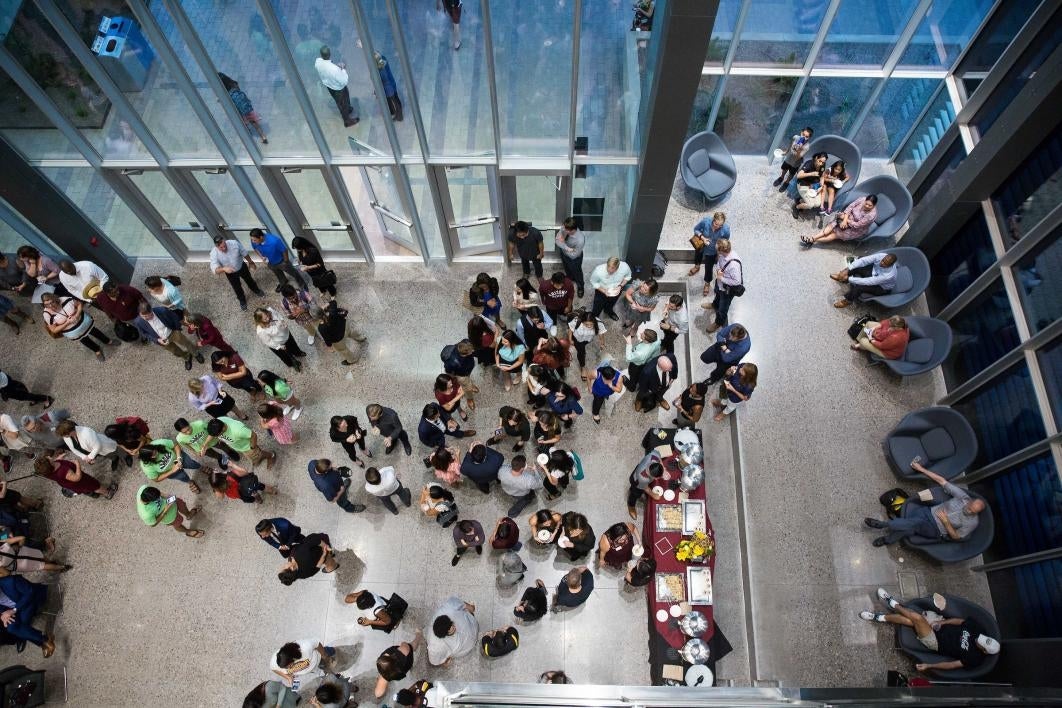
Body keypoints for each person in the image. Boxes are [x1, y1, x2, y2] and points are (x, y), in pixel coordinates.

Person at [860, 588, 1000, 672]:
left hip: (935, 641)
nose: (978, 638)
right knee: (910, 620)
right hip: (939, 624)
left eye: (980, 642)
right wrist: (942, 622)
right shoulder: (979, 630)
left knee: (918, 619)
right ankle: (879, 618)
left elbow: (951, 665)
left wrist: (929, 666)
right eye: (981, 638)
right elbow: (960, 621)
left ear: (984, 650)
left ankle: (892, 602)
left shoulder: (975, 659)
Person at [865, 460, 986, 547]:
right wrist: (921, 469)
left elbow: (957, 537)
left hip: (936, 529)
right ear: (970, 501)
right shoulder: (963, 497)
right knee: (909, 528)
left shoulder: (972, 523)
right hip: (927, 512)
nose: (968, 509)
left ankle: (883, 524)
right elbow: (942, 481)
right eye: (969, 506)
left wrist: (946, 522)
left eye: (972, 511)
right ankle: (887, 540)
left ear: (976, 513)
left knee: (915, 524)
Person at [40, 291, 116, 362]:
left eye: (51, 302)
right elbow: (54, 330)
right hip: (75, 333)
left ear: (54, 298)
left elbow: (79, 304)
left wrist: (76, 315)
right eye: (46, 304)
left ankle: (108, 341)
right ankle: (96, 350)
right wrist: (67, 323)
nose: (50, 306)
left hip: (85, 323)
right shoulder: (47, 314)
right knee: (84, 340)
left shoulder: (65, 299)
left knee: (94, 331)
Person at [0, 570, 56, 656]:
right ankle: (44, 641)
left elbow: (30, 592)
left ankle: (44, 641)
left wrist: (14, 610)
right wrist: (4, 616)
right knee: (11, 627)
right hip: (19, 609)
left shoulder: (10, 581)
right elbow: (2, 610)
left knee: (22, 624)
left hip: (31, 600)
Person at [134, 302, 203, 371]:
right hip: (161, 340)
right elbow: (144, 333)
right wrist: (156, 340)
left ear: (151, 310)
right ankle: (187, 357)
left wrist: (177, 329)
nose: (147, 318)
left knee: (186, 343)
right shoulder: (138, 321)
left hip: (173, 332)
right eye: (144, 316)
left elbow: (175, 318)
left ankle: (195, 353)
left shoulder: (162, 310)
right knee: (175, 351)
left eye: (149, 315)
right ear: (140, 314)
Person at [209, 235, 263, 311]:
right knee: (236, 287)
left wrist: (251, 262)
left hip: (241, 266)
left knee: (249, 279)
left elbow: (244, 253)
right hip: (230, 273)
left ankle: (256, 290)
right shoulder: (214, 253)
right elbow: (214, 269)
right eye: (221, 247)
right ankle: (242, 300)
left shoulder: (234, 243)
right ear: (216, 246)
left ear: (225, 241)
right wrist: (223, 269)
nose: (224, 248)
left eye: (224, 246)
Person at [802, 194, 879, 246]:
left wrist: (846, 221)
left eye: (870, 205)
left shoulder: (871, 215)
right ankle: (812, 238)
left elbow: (858, 225)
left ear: (874, 205)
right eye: (866, 203)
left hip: (855, 229)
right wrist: (845, 220)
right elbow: (850, 207)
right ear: (865, 200)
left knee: (834, 235)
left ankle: (813, 240)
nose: (867, 206)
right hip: (846, 217)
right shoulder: (862, 199)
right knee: (830, 228)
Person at [831, 252, 898, 308]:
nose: (882, 263)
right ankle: (842, 277)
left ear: (891, 265)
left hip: (881, 287)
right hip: (874, 273)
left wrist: (849, 279)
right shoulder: (882, 255)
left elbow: (869, 281)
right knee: (859, 262)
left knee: (860, 287)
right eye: (883, 260)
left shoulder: (888, 275)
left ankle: (848, 301)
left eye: (885, 264)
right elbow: (864, 260)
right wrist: (847, 269)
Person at [687, 211, 731, 295]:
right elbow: (696, 229)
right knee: (697, 257)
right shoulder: (705, 221)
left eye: (720, 225)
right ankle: (697, 267)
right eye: (716, 224)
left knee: (709, 268)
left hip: (712, 251)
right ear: (713, 220)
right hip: (701, 245)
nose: (718, 227)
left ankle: (707, 283)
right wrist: (703, 238)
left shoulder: (726, 230)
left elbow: (725, 241)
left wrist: (719, 253)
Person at [138, 438, 204, 494]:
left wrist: (178, 458)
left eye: (155, 451)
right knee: (182, 477)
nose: (157, 454)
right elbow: (156, 479)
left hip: (178, 457)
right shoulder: (146, 466)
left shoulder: (159, 443)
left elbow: (175, 445)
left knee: (191, 463)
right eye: (153, 455)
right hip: (170, 471)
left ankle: (200, 467)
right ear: (147, 459)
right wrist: (172, 471)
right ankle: (190, 482)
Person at [33, 454, 115, 499]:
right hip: (81, 481)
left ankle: (92, 493)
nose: (48, 456)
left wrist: (59, 458)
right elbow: (77, 477)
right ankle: (108, 493)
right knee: (95, 485)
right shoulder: (63, 471)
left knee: (88, 488)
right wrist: (77, 464)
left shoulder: (47, 471)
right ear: (50, 464)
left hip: (69, 484)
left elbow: (55, 462)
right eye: (47, 458)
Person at [205, 416, 276, 468]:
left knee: (257, 454)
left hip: (247, 447)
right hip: (240, 447)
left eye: (218, 435)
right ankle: (256, 459)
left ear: (223, 428)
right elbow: (213, 435)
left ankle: (271, 456)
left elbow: (253, 435)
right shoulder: (218, 421)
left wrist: (252, 447)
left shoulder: (238, 430)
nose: (216, 437)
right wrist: (204, 445)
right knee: (253, 456)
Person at [427, 596, 478, 666]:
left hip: (471, 623)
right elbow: (433, 661)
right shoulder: (435, 646)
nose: (454, 625)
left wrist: (471, 608)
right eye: (452, 628)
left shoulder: (449, 607)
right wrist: (445, 662)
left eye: (452, 623)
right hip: (466, 648)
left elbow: (465, 605)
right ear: (445, 634)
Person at [136, 484, 202, 538]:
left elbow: (159, 493)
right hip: (170, 517)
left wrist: (167, 496)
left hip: (173, 502)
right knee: (178, 524)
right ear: (150, 501)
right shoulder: (146, 514)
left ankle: (188, 515)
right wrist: (165, 510)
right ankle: (188, 531)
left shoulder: (144, 488)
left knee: (182, 505)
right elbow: (153, 524)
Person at [315, 46, 358, 127]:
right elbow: (344, 81)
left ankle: (348, 109)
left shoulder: (318, 62)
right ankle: (347, 121)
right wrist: (343, 69)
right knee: (343, 104)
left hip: (329, 86)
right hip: (339, 89)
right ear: (330, 54)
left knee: (339, 101)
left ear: (321, 55)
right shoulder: (334, 69)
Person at [219, 72, 267, 144]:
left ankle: (248, 135)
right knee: (252, 121)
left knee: (242, 121)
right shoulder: (233, 84)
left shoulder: (225, 91)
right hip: (244, 105)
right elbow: (239, 89)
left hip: (237, 107)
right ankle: (263, 136)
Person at [707, 239, 742, 333]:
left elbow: (737, 281)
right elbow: (720, 262)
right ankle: (714, 305)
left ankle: (718, 323)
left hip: (727, 290)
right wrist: (718, 270)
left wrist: (721, 278)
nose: (716, 251)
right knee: (717, 296)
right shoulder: (723, 255)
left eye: (717, 249)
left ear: (721, 250)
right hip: (720, 285)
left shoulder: (734, 265)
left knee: (723, 308)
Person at [254, 307, 306, 372]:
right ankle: (292, 364)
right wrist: (279, 346)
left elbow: (278, 315)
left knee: (293, 345)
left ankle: (298, 353)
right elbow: (268, 342)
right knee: (285, 356)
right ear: (260, 320)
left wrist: (282, 321)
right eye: (265, 319)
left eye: (267, 315)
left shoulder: (271, 311)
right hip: (278, 343)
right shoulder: (261, 331)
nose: (268, 318)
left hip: (285, 334)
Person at [55, 419, 120, 470]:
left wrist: (90, 457)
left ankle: (121, 455)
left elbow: (98, 446)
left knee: (112, 451)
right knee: (105, 455)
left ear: (70, 431)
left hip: (102, 446)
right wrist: (84, 457)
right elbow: (73, 449)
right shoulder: (66, 437)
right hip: (91, 451)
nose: (63, 437)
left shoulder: (86, 432)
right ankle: (114, 458)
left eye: (64, 435)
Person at [270, 639, 336, 689]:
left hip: (317, 659)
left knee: (330, 651)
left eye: (289, 666)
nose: (288, 669)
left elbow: (317, 643)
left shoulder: (305, 647)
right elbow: (273, 668)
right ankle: (320, 672)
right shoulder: (275, 660)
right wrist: (288, 677)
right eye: (285, 668)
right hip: (309, 669)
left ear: (293, 658)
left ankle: (331, 650)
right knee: (318, 671)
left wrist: (324, 655)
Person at [317, 301, 366, 365]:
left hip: (338, 340)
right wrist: (325, 306)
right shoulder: (332, 312)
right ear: (322, 310)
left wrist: (329, 347)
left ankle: (352, 360)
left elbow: (327, 339)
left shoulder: (321, 328)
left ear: (315, 318)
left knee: (343, 350)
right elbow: (333, 302)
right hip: (345, 327)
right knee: (352, 332)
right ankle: (361, 338)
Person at [567, 309, 606, 381]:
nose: (589, 326)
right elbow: (570, 329)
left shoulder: (599, 323)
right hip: (577, 339)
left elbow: (601, 333)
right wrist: (570, 339)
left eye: (591, 324)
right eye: (586, 324)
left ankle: (581, 310)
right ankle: (583, 367)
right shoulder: (577, 321)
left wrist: (602, 343)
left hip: (587, 339)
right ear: (582, 321)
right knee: (581, 353)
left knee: (583, 348)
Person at [589, 257, 632, 321]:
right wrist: (604, 291)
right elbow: (593, 282)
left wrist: (620, 286)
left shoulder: (625, 267)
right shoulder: (598, 270)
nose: (610, 271)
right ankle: (594, 317)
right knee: (597, 306)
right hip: (601, 291)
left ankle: (608, 311)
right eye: (608, 268)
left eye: (612, 270)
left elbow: (628, 276)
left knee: (611, 303)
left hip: (617, 290)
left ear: (618, 267)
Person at [627, 450, 665, 519]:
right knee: (635, 494)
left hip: (641, 468)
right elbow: (646, 488)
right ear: (655, 478)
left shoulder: (654, 456)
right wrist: (654, 496)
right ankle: (631, 506)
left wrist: (662, 467)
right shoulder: (643, 478)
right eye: (657, 478)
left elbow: (657, 454)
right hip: (637, 481)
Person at [210, 464, 275, 504]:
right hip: (248, 484)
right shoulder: (231, 474)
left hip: (241, 495)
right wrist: (233, 465)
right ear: (220, 474)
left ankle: (258, 500)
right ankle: (271, 491)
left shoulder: (219, 490)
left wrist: (216, 489)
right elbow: (245, 472)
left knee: (250, 498)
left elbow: (221, 497)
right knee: (259, 486)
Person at [773, 126, 813, 192]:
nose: (804, 137)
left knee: (791, 174)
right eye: (803, 135)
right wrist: (786, 151)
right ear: (801, 132)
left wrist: (799, 149)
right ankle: (781, 177)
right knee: (784, 169)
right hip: (788, 158)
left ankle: (786, 182)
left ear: (809, 138)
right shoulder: (796, 137)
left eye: (806, 137)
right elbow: (790, 143)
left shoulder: (806, 146)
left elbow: (798, 157)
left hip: (795, 163)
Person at [555, 217, 586, 297]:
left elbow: (574, 255)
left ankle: (580, 286)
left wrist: (563, 244)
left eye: (567, 230)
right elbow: (557, 241)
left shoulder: (580, 239)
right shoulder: (565, 227)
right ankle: (570, 278)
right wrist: (567, 248)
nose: (564, 230)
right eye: (564, 228)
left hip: (575, 259)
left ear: (572, 230)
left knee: (577, 273)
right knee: (567, 269)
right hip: (564, 254)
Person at [791, 151, 828, 215]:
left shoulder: (822, 165)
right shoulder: (809, 163)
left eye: (823, 162)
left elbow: (822, 176)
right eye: (820, 161)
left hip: (814, 186)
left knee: (817, 204)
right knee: (810, 205)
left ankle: (800, 201)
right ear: (816, 158)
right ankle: (796, 207)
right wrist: (811, 173)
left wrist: (821, 185)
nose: (821, 164)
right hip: (803, 184)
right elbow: (799, 175)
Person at [374, 51, 403, 121]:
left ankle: (399, 116)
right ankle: (392, 111)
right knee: (393, 99)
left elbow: (383, 81)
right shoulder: (383, 59)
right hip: (391, 85)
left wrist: (376, 92)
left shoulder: (381, 69)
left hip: (389, 88)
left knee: (394, 100)